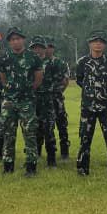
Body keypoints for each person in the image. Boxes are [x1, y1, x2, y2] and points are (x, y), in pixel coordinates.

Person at [74, 31, 107, 177]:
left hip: (106, 107)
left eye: (101, 42)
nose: (98, 44)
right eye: (95, 41)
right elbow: (79, 80)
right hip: (88, 107)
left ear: (104, 45)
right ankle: (83, 168)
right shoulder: (82, 62)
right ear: (90, 44)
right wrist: (91, 93)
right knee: (85, 137)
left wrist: (106, 91)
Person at [0, 27, 43, 176]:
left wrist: (28, 90)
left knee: (30, 134)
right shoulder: (4, 57)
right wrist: (10, 89)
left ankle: (31, 167)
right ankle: (8, 166)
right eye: (12, 39)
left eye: (18, 38)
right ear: (9, 42)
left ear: (23, 39)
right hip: (9, 102)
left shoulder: (33, 57)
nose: (15, 41)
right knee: (8, 134)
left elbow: (38, 78)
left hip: (26, 102)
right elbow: (3, 77)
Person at [29, 36, 59, 167]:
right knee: (32, 130)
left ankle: (51, 160)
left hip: (47, 101)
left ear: (44, 48)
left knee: (49, 130)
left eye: (40, 47)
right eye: (34, 48)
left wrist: (52, 93)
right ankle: (33, 158)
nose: (37, 50)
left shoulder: (52, 64)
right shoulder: (28, 63)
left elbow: (60, 81)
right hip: (32, 101)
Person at [38, 38, 68, 167]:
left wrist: (57, 92)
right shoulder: (38, 62)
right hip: (41, 99)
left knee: (61, 124)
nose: (48, 49)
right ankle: (37, 152)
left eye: (50, 47)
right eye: (46, 47)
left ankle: (64, 152)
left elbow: (65, 81)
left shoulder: (59, 63)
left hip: (56, 98)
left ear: (53, 48)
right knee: (40, 126)